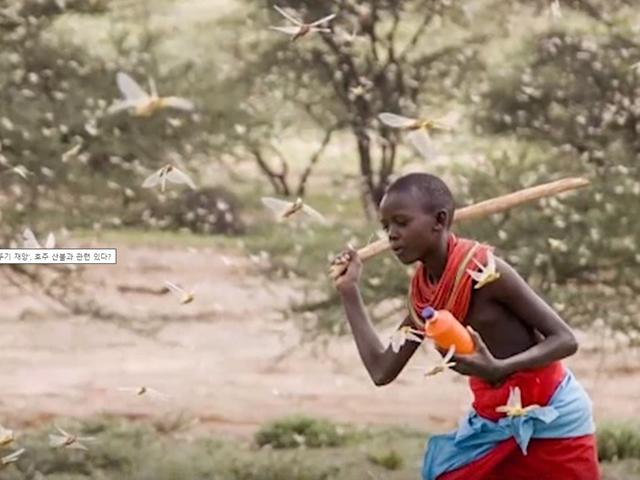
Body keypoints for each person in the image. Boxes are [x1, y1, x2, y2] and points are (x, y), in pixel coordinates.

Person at [332, 173, 600, 480]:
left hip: (551, 418)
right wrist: (350, 291)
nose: (391, 234)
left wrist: (501, 367)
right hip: (494, 422)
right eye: (386, 226)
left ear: (439, 220)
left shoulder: (486, 272)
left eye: (402, 223)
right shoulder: (425, 300)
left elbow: (565, 340)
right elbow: (382, 370)